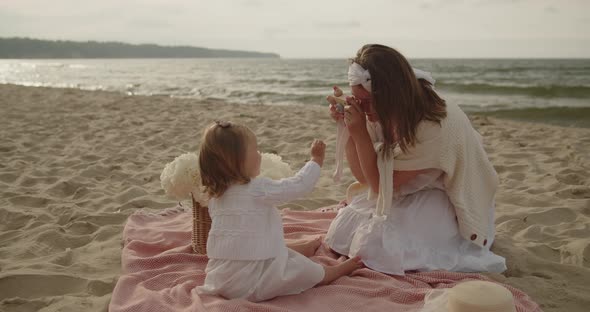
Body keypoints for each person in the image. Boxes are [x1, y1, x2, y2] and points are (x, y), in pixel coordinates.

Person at [324, 44, 506, 275]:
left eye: (366, 101)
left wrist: (359, 131)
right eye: (357, 100)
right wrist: (348, 126)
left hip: (448, 194)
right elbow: (364, 176)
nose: (362, 107)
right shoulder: (386, 108)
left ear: (390, 94)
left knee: (376, 247)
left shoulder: (433, 126)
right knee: (344, 230)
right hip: (407, 183)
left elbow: (378, 185)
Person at [196, 121, 362, 302]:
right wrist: (315, 161)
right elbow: (298, 185)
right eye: (255, 150)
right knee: (302, 270)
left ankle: (301, 249)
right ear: (237, 161)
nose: (259, 154)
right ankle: (332, 271)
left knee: (266, 249)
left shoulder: (215, 197)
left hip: (221, 279)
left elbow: (244, 238)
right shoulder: (257, 188)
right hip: (252, 282)